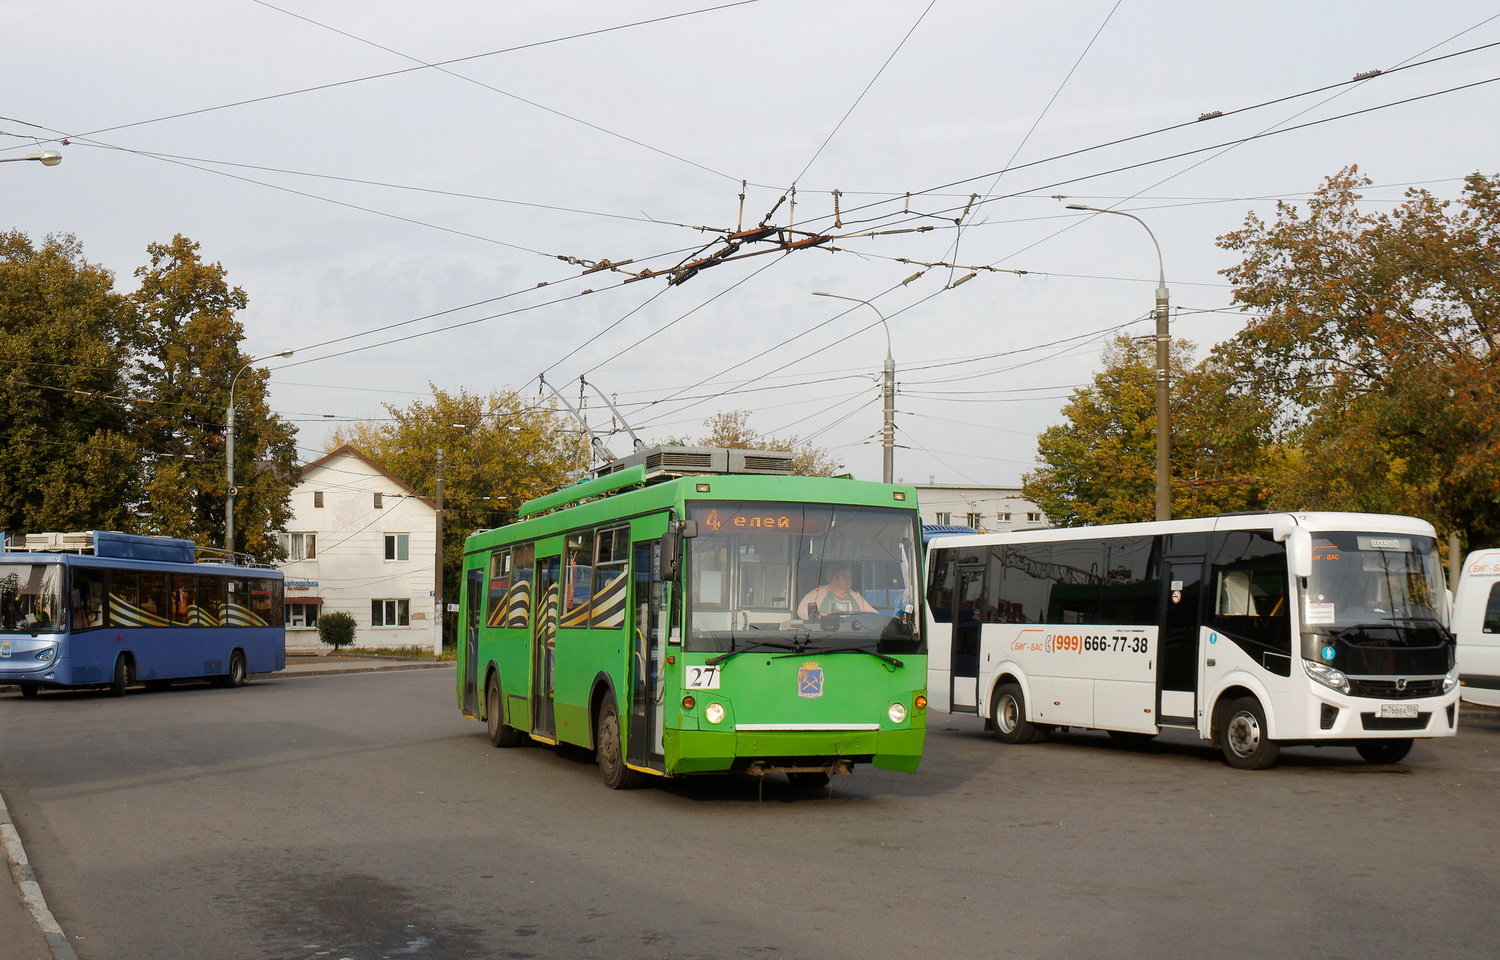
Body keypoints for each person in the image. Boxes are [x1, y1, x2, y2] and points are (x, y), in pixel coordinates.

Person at [798, 562, 877, 619]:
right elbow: (801, 611)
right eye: (845, 578)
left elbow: (874, 616)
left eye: (849, 578)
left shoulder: (857, 597)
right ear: (834, 579)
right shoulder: (816, 594)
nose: (848, 581)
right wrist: (820, 617)